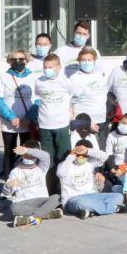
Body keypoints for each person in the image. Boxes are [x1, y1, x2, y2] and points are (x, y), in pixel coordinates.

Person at [32, 54, 74, 194]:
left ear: (59, 67)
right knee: (48, 159)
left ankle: (65, 190)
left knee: (63, 157)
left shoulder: (66, 82)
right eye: (45, 67)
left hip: (61, 125)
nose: (47, 70)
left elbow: (74, 95)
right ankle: (51, 190)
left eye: (50, 67)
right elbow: (38, 96)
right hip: (44, 125)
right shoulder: (39, 81)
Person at [0, 49, 36, 178]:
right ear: (9, 62)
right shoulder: (3, 77)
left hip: (27, 122)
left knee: (27, 152)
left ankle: (25, 179)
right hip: (9, 122)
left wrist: (29, 118)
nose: (18, 61)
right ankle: (8, 181)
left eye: (21, 59)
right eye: (14, 59)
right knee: (9, 152)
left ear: (26, 60)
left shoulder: (33, 77)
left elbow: (38, 99)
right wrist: (11, 117)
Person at [58, 140, 126, 218]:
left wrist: (87, 150)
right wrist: (72, 155)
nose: (82, 156)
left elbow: (104, 156)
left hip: (92, 195)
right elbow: (60, 173)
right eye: (79, 153)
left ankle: (92, 211)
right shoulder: (65, 165)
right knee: (81, 203)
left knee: (118, 196)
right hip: (72, 199)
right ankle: (116, 208)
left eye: (84, 154)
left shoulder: (89, 163)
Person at [1, 141, 62, 227]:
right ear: (22, 155)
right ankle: (45, 213)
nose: (29, 157)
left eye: (32, 155)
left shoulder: (41, 167)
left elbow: (46, 156)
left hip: (42, 200)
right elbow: (6, 194)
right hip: (25, 203)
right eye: (25, 154)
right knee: (14, 208)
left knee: (57, 197)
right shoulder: (16, 171)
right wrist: (8, 186)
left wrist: (27, 150)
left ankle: (30, 218)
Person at [70, 48, 111, 148]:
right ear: (79, 61)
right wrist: (85, 122)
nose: (87, 62)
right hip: (84, 122)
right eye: (84, 60)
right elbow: (70, 102)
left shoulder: (100, 75)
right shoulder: (75, 78)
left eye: (90, 60)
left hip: (101, 119)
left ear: (94, 61)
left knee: (101, 151)